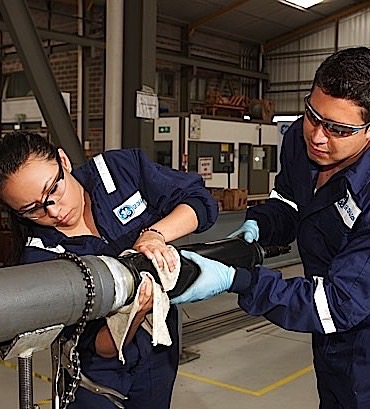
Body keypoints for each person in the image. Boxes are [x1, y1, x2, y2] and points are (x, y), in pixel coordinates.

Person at [172, 46, 370, 409]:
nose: (318, 137)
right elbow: (291, 200)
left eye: (339, 129)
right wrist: (262, 223)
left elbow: (337, 305)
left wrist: (239, 281)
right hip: (329, 340)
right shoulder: (300, 138)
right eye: (313, 115)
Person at [0, 130, 218, 409]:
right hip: (98, 377)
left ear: (64, 161)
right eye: (33, 209)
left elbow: (200, 201)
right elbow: (100, 347)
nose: (53, 211)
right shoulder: (40, 258)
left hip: (158, 353)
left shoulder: (116, 171)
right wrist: (134, 312)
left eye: (53, 189)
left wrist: (155, 234)